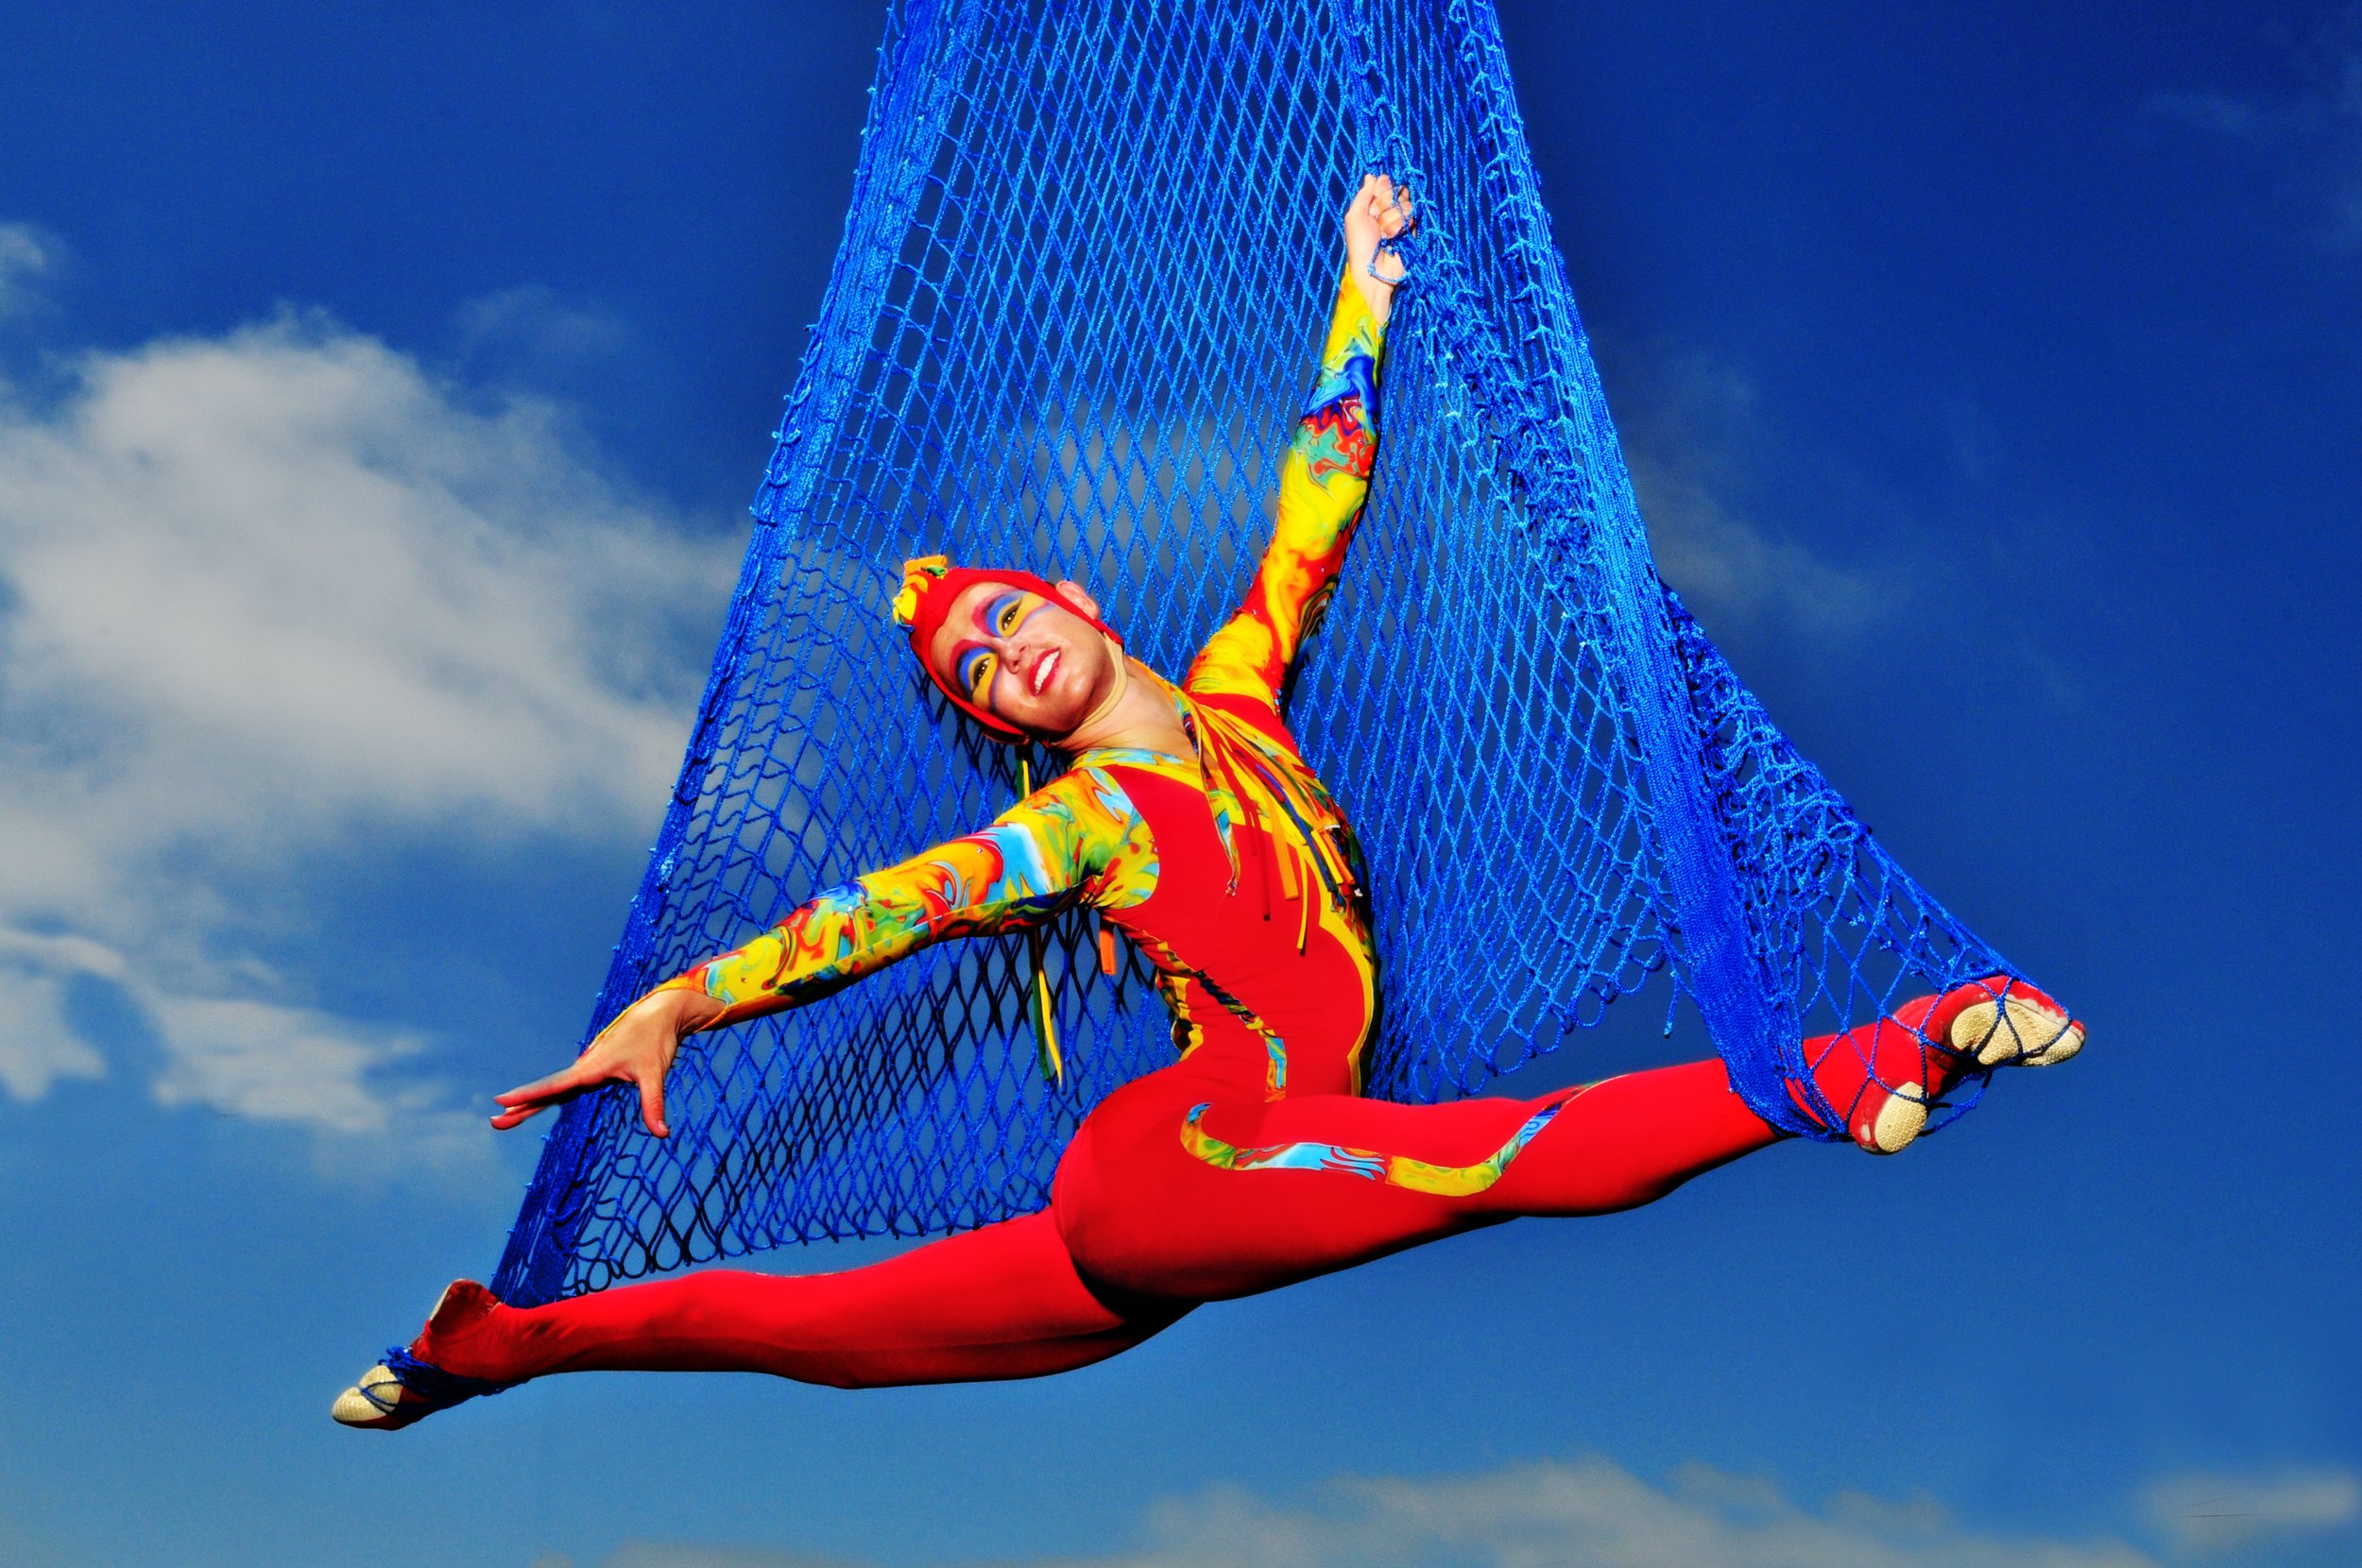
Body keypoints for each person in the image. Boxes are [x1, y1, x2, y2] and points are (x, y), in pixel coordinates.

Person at [333, 176, 2080, 1430]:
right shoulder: (1082, 828)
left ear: (1079, 605)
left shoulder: (1243, 692)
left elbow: (1312, 507)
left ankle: (501, 1348)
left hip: (1180, 1225)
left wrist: (1362, 291)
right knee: (1491, 1164)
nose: (1000, 658)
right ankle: (1871, 1061)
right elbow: (875, 916)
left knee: (819, 1329)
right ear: (998, 719)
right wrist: (674, 1004)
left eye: (1007, 617)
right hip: (1182, 1159)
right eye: (970, 672)